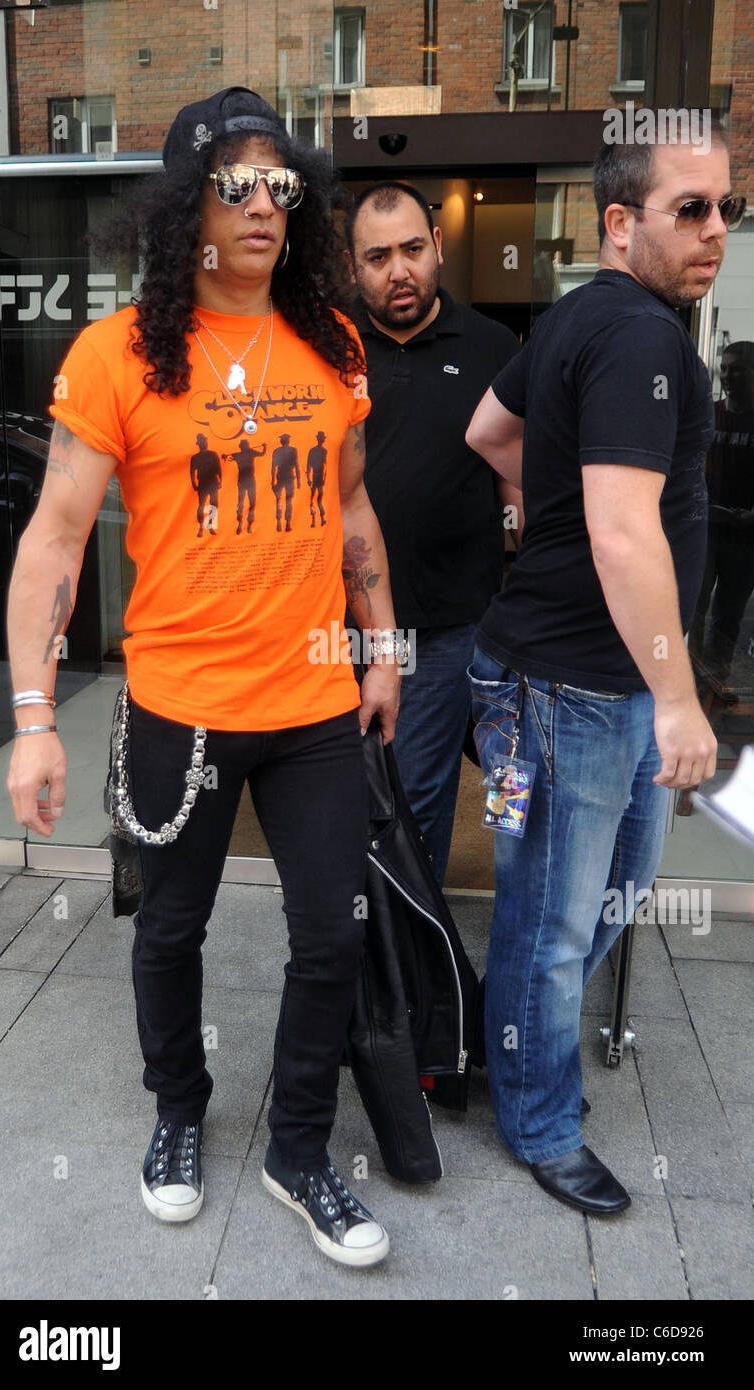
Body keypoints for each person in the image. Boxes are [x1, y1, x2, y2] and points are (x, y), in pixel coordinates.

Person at [5, 87, 404, 1268]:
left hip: (314, 706)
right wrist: (33, 719)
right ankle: (178, 1109)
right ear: (185, 206)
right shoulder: (117, 355)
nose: (264, 205)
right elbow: (52, 541)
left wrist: (381, 644)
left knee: (330, 933)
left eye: (281, 184)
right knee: (168, 929)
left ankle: (297, 1149)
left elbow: (349, 506)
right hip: (178, 703)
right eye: (235, 183)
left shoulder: (330, 342)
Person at [466, 122, 742, 1214]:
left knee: (596, 902)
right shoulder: (632, 334)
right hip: (566, 692)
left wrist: (543, 514)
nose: (715, 228)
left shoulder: (583, 313)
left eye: (725, 205)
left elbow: (489, 431)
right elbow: (624, 533)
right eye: (691, 208)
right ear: (619, 223)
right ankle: (534, 1119)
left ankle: (508, 1054)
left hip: (580, 681)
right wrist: (680, 699)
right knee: (555, 919)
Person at [346, 181, 521, 885]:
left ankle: (417, 972)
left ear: (437, 247)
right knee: (344, 806)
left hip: (450, 630)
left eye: (413, 249)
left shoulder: (490, 346)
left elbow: (517, 487)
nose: (399, 271)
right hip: (334, 631)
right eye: (378, 256)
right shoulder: (326, 347)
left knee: (419, 805)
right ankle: (369, 961)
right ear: (353, 267)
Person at [689, 341, 754, 694]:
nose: (728, 376)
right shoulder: (708, 414)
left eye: (738, 369)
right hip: (705, 530)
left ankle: (715, 680)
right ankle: (689, 679)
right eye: (725, 368)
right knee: (692, 610)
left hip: (746, 539)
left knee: (727, 617)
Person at [190, 431, 223, 537]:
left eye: (204, 441)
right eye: (202, 442)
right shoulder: (195, 457)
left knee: (214, 505)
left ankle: (210, 525)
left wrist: (220, 480)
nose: (204, 443)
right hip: (203, 483)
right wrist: (194, 483)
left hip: (213, 482)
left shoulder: (212, 454)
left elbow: (218, 468)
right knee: (201, 505)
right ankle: (200, 527)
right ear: (199, 444)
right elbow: (192, 472)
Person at [270, 432, 300, 532]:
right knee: (287, 501)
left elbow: (273, 467)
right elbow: (296, 466)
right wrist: (299, 480)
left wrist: (272, 481)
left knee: (279, 501)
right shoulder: (292, 450)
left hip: (282, 476)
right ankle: (286, 523)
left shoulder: (277, 451)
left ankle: (281, 523)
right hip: (288, 476)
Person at [307, 430, 327, 527]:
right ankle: (314, 520)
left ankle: (319, 520)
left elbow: (325, 466)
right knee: (314, 499)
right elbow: (308, 465)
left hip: (318, 476)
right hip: (315, 476)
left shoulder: (323, 451)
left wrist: (323, 478)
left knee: (316, 499)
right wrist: (309, 478)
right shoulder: (314, 451)